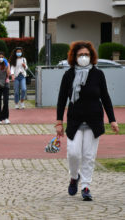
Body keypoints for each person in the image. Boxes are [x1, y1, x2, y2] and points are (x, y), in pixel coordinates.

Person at [56, 41, 119, 201]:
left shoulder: (98, 74)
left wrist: (112, 119)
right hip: (75, 120)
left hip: (94, 120)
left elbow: (105, 97)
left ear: (91, 56)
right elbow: (62, 99)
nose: (83, 57)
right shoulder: (68, 75)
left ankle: (85, 186)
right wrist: (58, 122)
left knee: (89, 155)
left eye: (86, 54)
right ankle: (74, 176)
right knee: (74, 153)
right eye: (80, 55)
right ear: (74, 57)